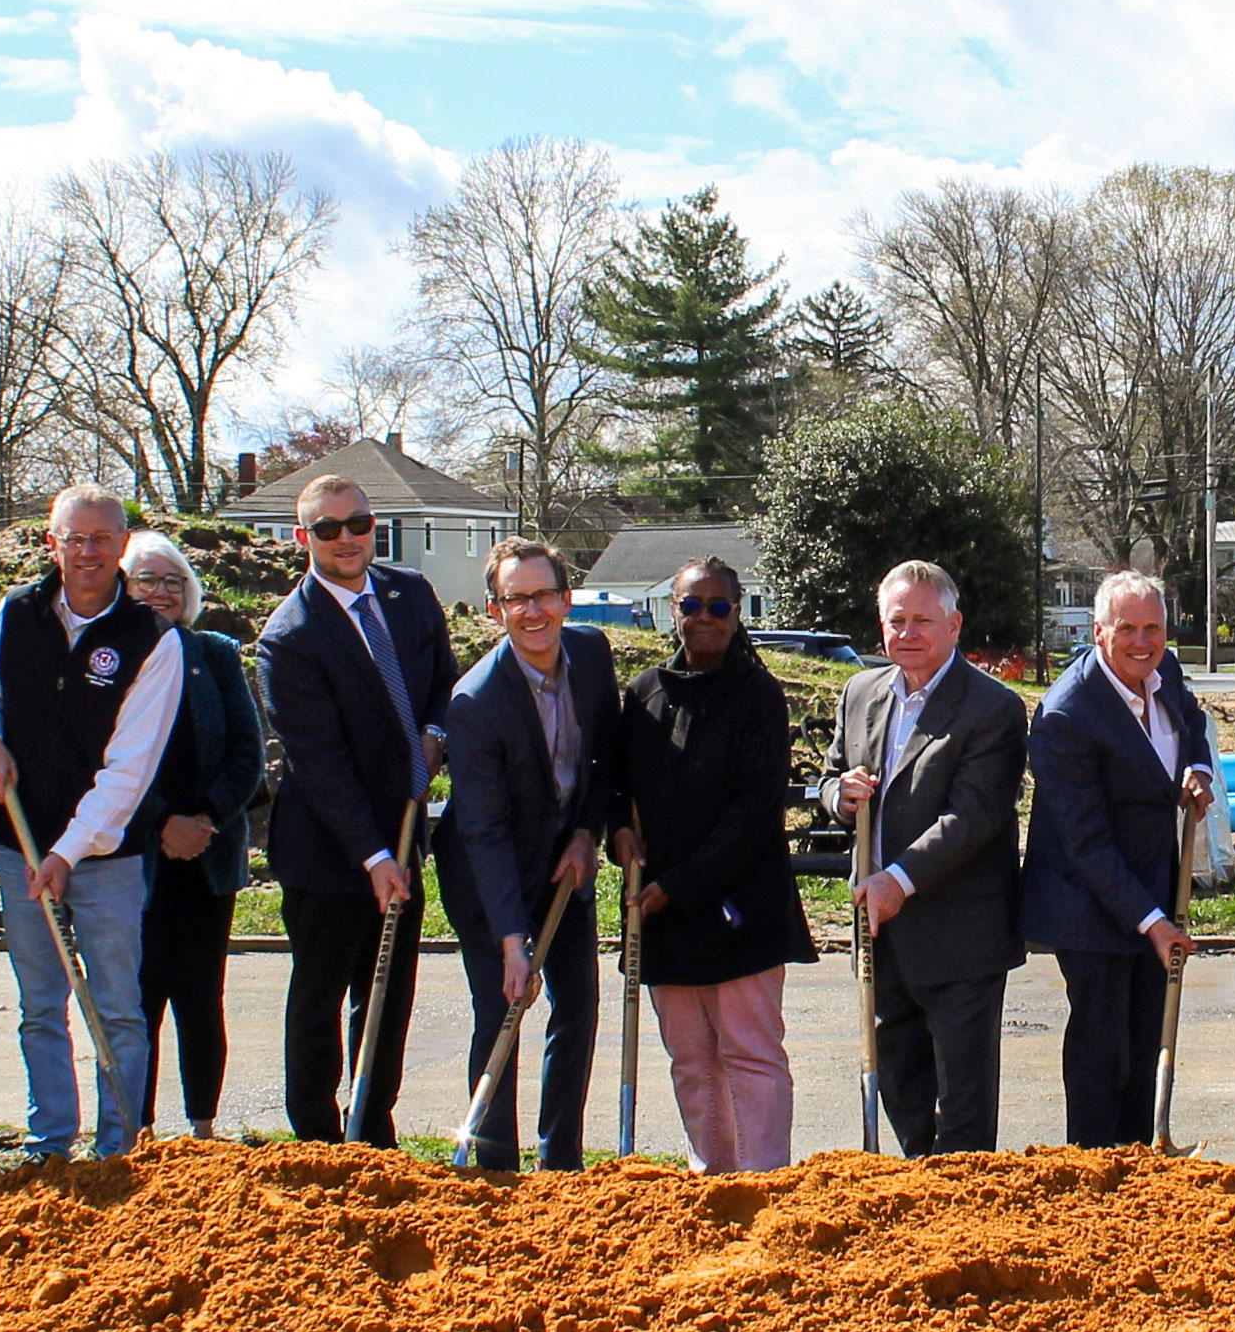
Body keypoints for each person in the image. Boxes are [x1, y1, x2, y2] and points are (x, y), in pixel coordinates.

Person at [0, 485, 180, 1161]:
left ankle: (117, 1151)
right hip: (19, 842)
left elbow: (128, 772)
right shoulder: (16, 612)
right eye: (73, 538)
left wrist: (67, 852)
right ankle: (49, 1145)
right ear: (51, 543)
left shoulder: (152, 639)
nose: (86, 552)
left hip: (105, 858)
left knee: (117, 1007)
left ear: (123, 545)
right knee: (40, 1006)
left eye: (101, 539)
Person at [254, 474, 454, 1147]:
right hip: (329, 848)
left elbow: (444, 683)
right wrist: (373, 856)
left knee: (389, 991)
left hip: (404, 832)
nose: (347, 538)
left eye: (359, 523)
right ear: (302, 537)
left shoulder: (411, 594)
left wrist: (438, 734)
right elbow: (320, 762)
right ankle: (315, 1135)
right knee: (321, 994)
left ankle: (372, 1125)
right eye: (329, 528)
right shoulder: (290, 635)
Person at [612, 559, 816, 1173]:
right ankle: (714, 1179)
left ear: (737, 612)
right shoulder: (643, 693)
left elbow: (755, 813)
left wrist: (676, 888)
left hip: (738, 907)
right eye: (691, 605)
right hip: (662, 911)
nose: (704, 617)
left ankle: (763, 1181)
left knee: (749, 1052)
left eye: (719, 606)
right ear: (671, 611)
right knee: (691, 1058)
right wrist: (618, 830)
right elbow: (618, 784)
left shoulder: (758, 695)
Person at [819, 560, 1027, 1156]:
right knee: (901, 1081)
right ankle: (916, 1198)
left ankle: (965, 1212)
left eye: (923, 621)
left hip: (961, 931)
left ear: (955, 625)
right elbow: (834, 776)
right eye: (897, 620)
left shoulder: (993, 708)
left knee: (961, 1104)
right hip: (881, 932)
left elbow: (975, 817)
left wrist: (898, 880)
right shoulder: (861, 692)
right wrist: (840, 794)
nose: (908, 633)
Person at [438, 537, 616, 1172]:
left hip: (565, 865)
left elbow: (604, 759)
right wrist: (513, 940)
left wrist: (585, 833)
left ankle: (559, 1159)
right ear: (495, 610)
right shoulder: (475, 702)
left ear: (567, 599)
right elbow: (482, 832)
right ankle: (493, 1164)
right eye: (517, 599)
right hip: (492, 877)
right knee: (504, 1008)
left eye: (544, 595)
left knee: (578, 1007)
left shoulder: (592, 655)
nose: (533, 610)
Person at [1023, 571, 1218, 1148]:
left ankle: (1144, 1160)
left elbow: (1191, 720)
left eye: (1152, 628)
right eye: (1127, 629)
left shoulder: (1166, 671)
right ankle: (1094, 1168)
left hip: (1152, 882)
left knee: (1146, 1035)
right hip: (1086, 902)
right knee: (1102, 1047)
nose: (1141, 642)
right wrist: (1154, 923)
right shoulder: (1067, 716)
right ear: (1098, 631)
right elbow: (1087, 844)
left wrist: (1198, 769)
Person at [122, 534, 263, 1141]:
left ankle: (203, 1130)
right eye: (146, 580)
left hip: (207, 854)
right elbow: (103, 759)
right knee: (139, 1000)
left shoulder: (216, 653)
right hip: (134, 857)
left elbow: (247, 752)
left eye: (173, 581)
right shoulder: (106, 657)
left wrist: (204, 819)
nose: (161, 591)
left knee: (200, 997)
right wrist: (161, 823)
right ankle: (139, 1129)